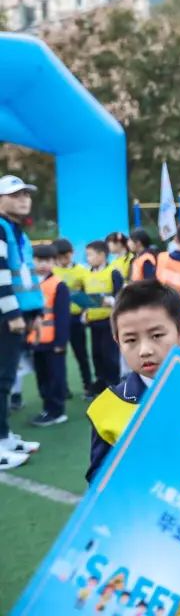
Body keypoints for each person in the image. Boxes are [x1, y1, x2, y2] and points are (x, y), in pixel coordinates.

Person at [85, 280, 180, 482]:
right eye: (130, 340)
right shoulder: (106, 410)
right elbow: (99, 481)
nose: (145, 350)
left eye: (157, 335)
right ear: (118, 342)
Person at [0, 174, 43, 466]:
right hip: (6, 316)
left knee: (5, 379)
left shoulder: (16, 231)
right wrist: (13, 314)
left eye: (26, 194)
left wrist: (34, 313)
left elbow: (26, 277)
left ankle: (4, 437)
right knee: (1, 380)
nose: (23, 199)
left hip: (15, 314)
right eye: (15, 195)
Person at [28, 244, 70, 426]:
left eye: (48, 261)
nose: (43, 264)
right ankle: (47, 408)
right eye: (39, 260)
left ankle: (57, 411)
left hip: (53, 342)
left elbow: (63, 316)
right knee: (42, 377)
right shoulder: (29, 283)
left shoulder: (59, 285)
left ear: (54, 262)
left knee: (55, 377)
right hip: (35, 341)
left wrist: (60, 342)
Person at [52, 238, 94, 398]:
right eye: (59, 257)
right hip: (57, 320)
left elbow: (88, 294)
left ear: (72, 253)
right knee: (58, 355)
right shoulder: (52, 272)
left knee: (81, 354)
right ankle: (62, 388)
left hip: (76, 319)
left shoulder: (82, 271)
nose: (63, 260)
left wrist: (85, 312)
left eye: (66, 256)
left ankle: (88, 385)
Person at [83, 240, 124, 393]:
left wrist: (111, 300)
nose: (88, 258)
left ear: (102, 255)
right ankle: (100, 382)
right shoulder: (86, 273)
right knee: (97, 354)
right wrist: (85, 312)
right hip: (93, 321)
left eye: (90, 255)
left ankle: (113, 384)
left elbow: (121, 296)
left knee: (110, 355)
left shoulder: (113, 272)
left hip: (109, 322)